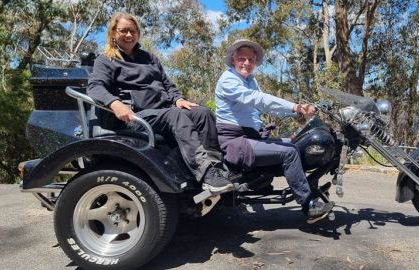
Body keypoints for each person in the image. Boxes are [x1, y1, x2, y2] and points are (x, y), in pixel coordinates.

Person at [87, 12, 233, 193]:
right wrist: (115, 103)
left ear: (138, 33)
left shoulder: (149, 58)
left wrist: (178, 99)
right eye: (123, 31)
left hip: (163, 112)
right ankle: (205, 173)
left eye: (133, 31)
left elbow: (167, 84)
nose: (129, 35)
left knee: (202, 113)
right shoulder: (106, 60)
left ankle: (216, 169)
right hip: (135, 117)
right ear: (113, 33)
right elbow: (95, 87)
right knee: (176, 115)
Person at [214, 39, 334, 224]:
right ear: (233, 60)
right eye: (242, 59)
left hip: (251, 136)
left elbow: (266, 108)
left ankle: (308, 189)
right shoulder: (228, 79)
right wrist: (295, 107)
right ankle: (309, 205)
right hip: (235, 141)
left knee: (296, 144)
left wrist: (298, 110)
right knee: (289, 153)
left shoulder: (250, 80)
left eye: (251, 60)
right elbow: (259, 100)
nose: (246, 63)